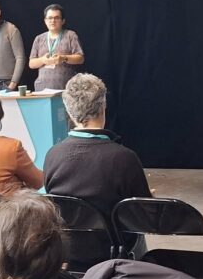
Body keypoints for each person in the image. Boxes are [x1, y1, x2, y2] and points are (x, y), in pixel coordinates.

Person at [43, 74, 151, 218]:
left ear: (68, 111)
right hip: (114, 240)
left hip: (67, 239)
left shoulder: (52, 155)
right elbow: (147, 213)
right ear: (104, 105)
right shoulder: (125, 158)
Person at [28, 4, 85, 91]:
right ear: (45, 20)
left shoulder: (71, 35)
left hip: (66, 89)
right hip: (42, 88)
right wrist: (43, 60)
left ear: (63, 21)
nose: (53, 21)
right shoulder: (39, 38)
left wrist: (63, 58)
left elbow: (80, 58)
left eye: (57, 18)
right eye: (50, 18)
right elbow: (31, 63)